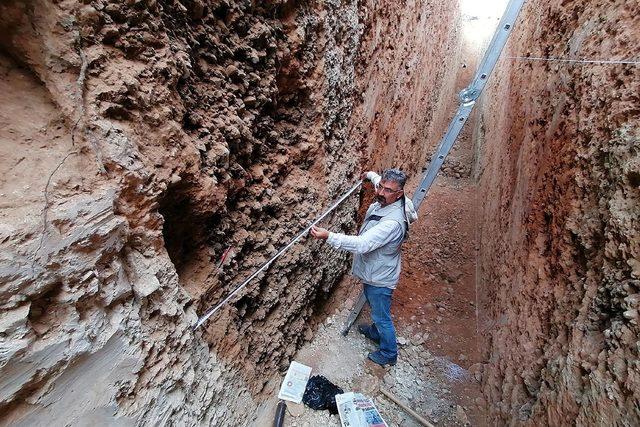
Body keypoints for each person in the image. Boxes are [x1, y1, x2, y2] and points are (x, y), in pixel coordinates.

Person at [310, 169, 417, 366]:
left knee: (381, 315)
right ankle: (376, 333)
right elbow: (378, 181)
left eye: (388, 190)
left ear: (399, 194)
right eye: (381, 187)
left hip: (380, 278)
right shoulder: (397, 197)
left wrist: (328, 236)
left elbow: (362, 244)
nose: (381, 193)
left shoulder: (392, 223)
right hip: (375, 270)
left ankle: (388, 353)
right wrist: (369, 175)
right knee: (376, 307)